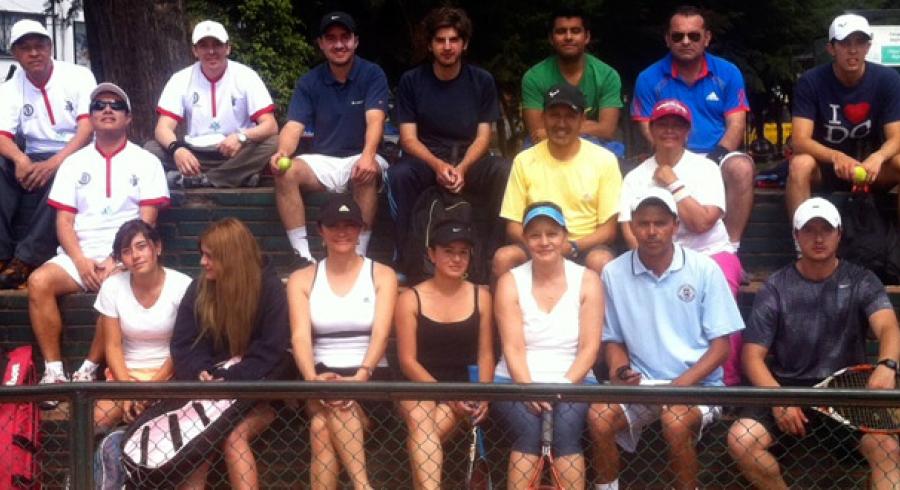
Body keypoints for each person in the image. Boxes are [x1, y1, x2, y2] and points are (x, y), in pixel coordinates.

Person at [728, 197, 900, 490]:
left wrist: (887, 364)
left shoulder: (862, 280)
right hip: (788, 392)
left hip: (847, 397)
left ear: (839, 234)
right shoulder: (776, 287)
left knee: (888, 449)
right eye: (809, 230)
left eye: (826, 229)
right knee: (741, 439)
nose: (818, 238)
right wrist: (779, 399)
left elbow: (887, 326)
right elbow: (752, 356)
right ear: (796, 235)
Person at [588, 188, 744, 490]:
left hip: (698, 386)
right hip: (642, 385)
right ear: (632, 227)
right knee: (598, 416)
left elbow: (721, 348)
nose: (651, 231)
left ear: (675, 225)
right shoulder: (613, 273)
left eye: (660, 223)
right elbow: (614, 340)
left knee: (674, 421)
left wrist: (678, 387)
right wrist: (621, 371)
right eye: (643, 223)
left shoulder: (705, 269)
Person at [29, 83, 169, 398]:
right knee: (38, 282)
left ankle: (88, 369)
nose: (107, 109)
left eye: (116, 105)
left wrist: (117, 259)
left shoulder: (146, 161)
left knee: (114, 288)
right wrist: (80, 261)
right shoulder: (73, 163)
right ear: (90, 117)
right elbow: (63, 222)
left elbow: (148, 220)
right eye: (99, 105)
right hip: (77, 255)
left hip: (125, 254)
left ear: (128, 117)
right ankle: (54, 372)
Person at [617, 98, 743, 385]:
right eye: (663, 124)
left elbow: (702, 223)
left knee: (722, 283)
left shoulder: (706, 168)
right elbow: (628, 228)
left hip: (709, 252)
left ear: (688, 132)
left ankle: (728, 383)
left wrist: (672, 181)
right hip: (654, 257)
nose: (670, 131)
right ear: (651, 130)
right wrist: (651, 263)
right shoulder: (635, 177)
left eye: (678, 125)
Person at [170, 217, 291, 490]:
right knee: (198, 438)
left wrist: (231, 377)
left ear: (231, 256)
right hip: (207, 394)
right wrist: (201, 370)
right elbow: (185, 343)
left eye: (210, 256)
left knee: (233, 436)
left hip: (256, 394)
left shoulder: (269, 288)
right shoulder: (199, 288)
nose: (202, 262)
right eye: (202, 254)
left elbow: (272, 349)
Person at [287, 194, 398, 490]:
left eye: (349, 225)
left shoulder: (382, 275)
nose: (342, 232)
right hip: (321, 374)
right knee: (330, 408)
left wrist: (361, 376)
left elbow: (381, 334)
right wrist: (311, 379)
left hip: (371, 376)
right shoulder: (301, 279)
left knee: (322, 427)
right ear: (320, 230)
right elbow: (300, 335)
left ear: (360, 229)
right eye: (334, 225)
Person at [386, 7, 509, 269]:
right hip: (426, 158)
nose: (447, 47)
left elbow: (484, 137)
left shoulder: (482, 81)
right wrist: (438, 165)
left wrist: (462, 168)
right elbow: (408, 138)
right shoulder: (411, 81)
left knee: (504, 170)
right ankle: (405, 258)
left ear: (465, 44)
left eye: (454, 40)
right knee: (398, 175)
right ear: (430, 45)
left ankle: (493, 256)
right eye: (440, 40)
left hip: (469, 158)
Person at [493, 201, 603, 489]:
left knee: (566, 432)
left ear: (564, 236)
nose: (544, 241)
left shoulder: (588, 280)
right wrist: (527, 388)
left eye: (552, 233)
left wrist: (562, 387)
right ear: (525, 240)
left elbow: (590, 348)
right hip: (515, 380)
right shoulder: (509, 282)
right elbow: (513, 348)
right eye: (535, 235)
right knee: (529, 433)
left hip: (576, 381)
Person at [631, 5, 754, 250]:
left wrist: (712, 160)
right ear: (667, 39)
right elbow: (646, 126)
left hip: (716, 154)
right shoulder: (648, 78)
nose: (685, 41)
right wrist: (676, 158)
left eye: (694, 36)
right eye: (678, 36)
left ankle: (731, 246)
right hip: (669, 153)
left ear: (706, 38)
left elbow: (736, 123)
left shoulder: (728, 72)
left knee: (741, 167)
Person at [270, 12, 389, 263]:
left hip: (361, 155)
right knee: (285, 172)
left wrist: (367, 156)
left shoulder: (372, 74)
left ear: (355, 41)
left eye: (345, 37)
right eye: (331, 38)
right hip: (322, 160)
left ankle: (359, 254)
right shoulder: (309, 81)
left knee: (366, 171)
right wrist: (282, 152)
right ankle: (302, 256)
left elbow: (375, 120)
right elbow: (293, 127)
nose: (339, 44)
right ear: (321, 44)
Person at [394, 220, 494, 490]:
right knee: (420, 416)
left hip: (463, 389)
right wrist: (447, 394)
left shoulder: (481, 296)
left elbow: (486, 354)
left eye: (463, 252)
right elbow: (407, 361)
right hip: (417, 385)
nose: (456, 259)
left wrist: (483, 394)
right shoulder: (410, 298)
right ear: (432, 254)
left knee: (424, 433)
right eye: (448, 251)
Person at [0, 19, 96, 289]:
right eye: (25, 48)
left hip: (76, 151)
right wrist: (20, 159)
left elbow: (87, 128)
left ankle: (27, 259)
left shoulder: (78, 76)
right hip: (33, 154)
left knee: (66, 171)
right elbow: (2, 135)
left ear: (50, 47)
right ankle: (1, 254)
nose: (34, 53)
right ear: (15, 54)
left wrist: (55, 162)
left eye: (40, 46)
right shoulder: (10, 87)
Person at [494, 83, 621, 278]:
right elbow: (513, 224)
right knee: (504, 258)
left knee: (601, 261)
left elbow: (609, 230)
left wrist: (572, 246)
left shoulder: (605, 160)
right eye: (554, 115)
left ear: (582, 120)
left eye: (570, 116)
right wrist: (542, 245)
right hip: (536, 244)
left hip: (583, 246)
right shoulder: (524, 160)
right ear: (543, 118)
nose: (561, 124)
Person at [785, 14, 900, 218]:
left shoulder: (888, 79)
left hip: (873, 170)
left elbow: (897, 137)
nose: (853, 50)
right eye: (845, 43)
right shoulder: (811, 81)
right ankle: (800, 236)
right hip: (826, 169)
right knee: (800, 164)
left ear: (868, 47)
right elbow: (799, 141)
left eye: (860, 42)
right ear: (831, 48)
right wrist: (837, 157)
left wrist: (878, 157)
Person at [147, 20, 278, 188]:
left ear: (227, 48)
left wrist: (242, 137)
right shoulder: (180, 79)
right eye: (203, 46)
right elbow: (162, 128)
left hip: (236, 152)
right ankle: (236, 177)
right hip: (196, 154)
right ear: (195, 51)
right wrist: (177, 149)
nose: (211, 51)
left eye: (217, 44)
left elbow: (270, 125)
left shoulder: (246, 76)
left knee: (275, 142)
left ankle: (202, 179)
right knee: (151, 148)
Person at [92, 219, 192, 431]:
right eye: (126, 251)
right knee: (99, 420)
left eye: (141, 246)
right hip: (126, 374)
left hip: (171, 374)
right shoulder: (112, 287)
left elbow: (182, 346)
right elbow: (113, 346)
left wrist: (152, 390)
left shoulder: (182, 285)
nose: (135, 256)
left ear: (157, 247)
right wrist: (128, 391)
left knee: (167, 427)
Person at [521, 7, 624, 156]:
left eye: (575, 31)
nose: (568, 37)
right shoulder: (534, 77)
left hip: (595, 145)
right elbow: (537, 133)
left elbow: (607, 130)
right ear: (551, 38)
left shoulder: (607, 75)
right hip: (547, 147)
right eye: (561, 31)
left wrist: (556, 128)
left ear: (587, 37)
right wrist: (589, 126)